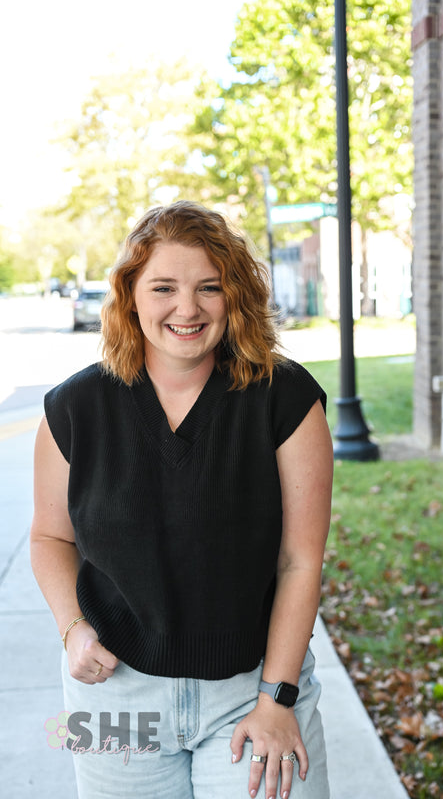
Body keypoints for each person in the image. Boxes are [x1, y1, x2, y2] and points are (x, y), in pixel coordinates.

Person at [30, 200, 333, 799]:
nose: (187, 308)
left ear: (235, 296)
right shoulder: (73, 409)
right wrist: (73, 630)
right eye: (163, 287)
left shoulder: (285, 397)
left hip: (252, 691)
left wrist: (279, 696)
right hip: (113, 698)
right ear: (130, 295)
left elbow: (300, 560)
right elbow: (49, 537)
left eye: (210, 288)